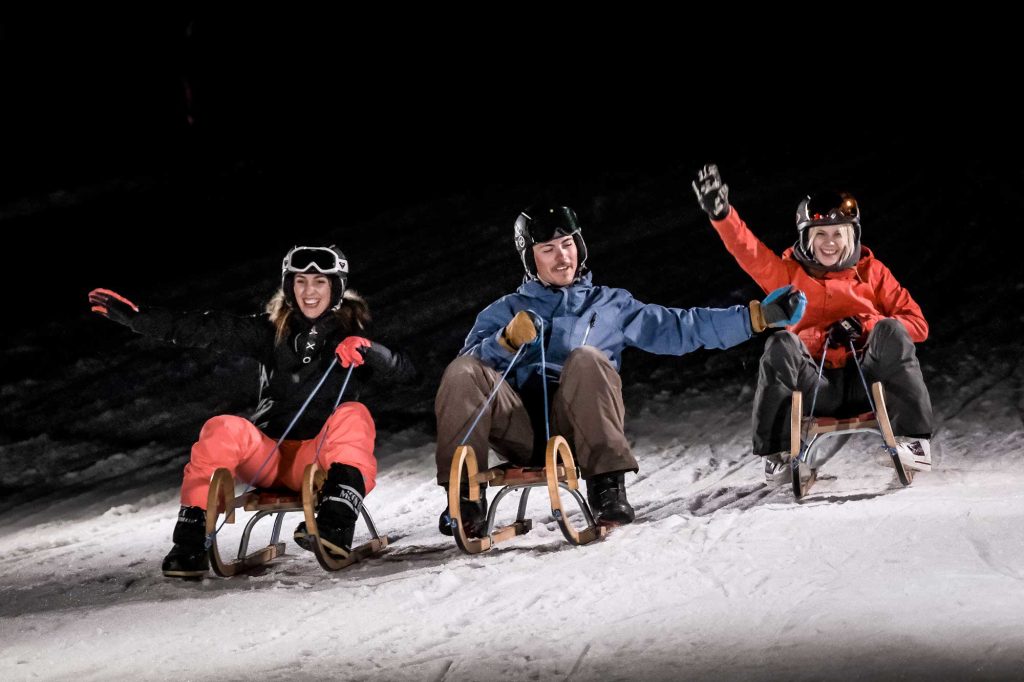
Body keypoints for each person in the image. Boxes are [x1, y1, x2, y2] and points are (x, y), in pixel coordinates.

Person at [434, 205, 806, 535]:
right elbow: (466, 377)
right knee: (464, 370)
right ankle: (464, 499)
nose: (562, 257)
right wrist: (505, 341)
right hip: (519, 428)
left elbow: (680, 328)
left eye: (568, 244)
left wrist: (755, 318)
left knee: (586, 358)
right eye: (548, 250)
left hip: (583, 429)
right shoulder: (505, 310)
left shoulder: (610, 304)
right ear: (530, 260)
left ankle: (607, 486)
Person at [89, 245, 417, 578]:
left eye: (319, 282)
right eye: (301, 282)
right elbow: (206, 328)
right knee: (222, 427)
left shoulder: (353, 333)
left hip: (318, 460)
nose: (309, 292)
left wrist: (369, 350)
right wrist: (139, 319)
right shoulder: (268, 331)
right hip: (267, 458)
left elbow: (406, 371)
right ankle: (190, 542)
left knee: (354, 415)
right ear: (290, 287)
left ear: (336, 287)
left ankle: (333, 525)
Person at [692, 165, 934, 483]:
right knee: (779, 343)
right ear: (807, 237)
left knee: (891, 329)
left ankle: (915, 443)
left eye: (838, 234)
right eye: (820, 234)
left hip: (868, 380)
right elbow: (748, 251)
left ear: (852, 235)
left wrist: (865, 324)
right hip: (817, 387)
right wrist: (722, 214)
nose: (829, 242)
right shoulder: (789, 274)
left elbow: (917, 325)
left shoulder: (872, 272)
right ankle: (777, 456)